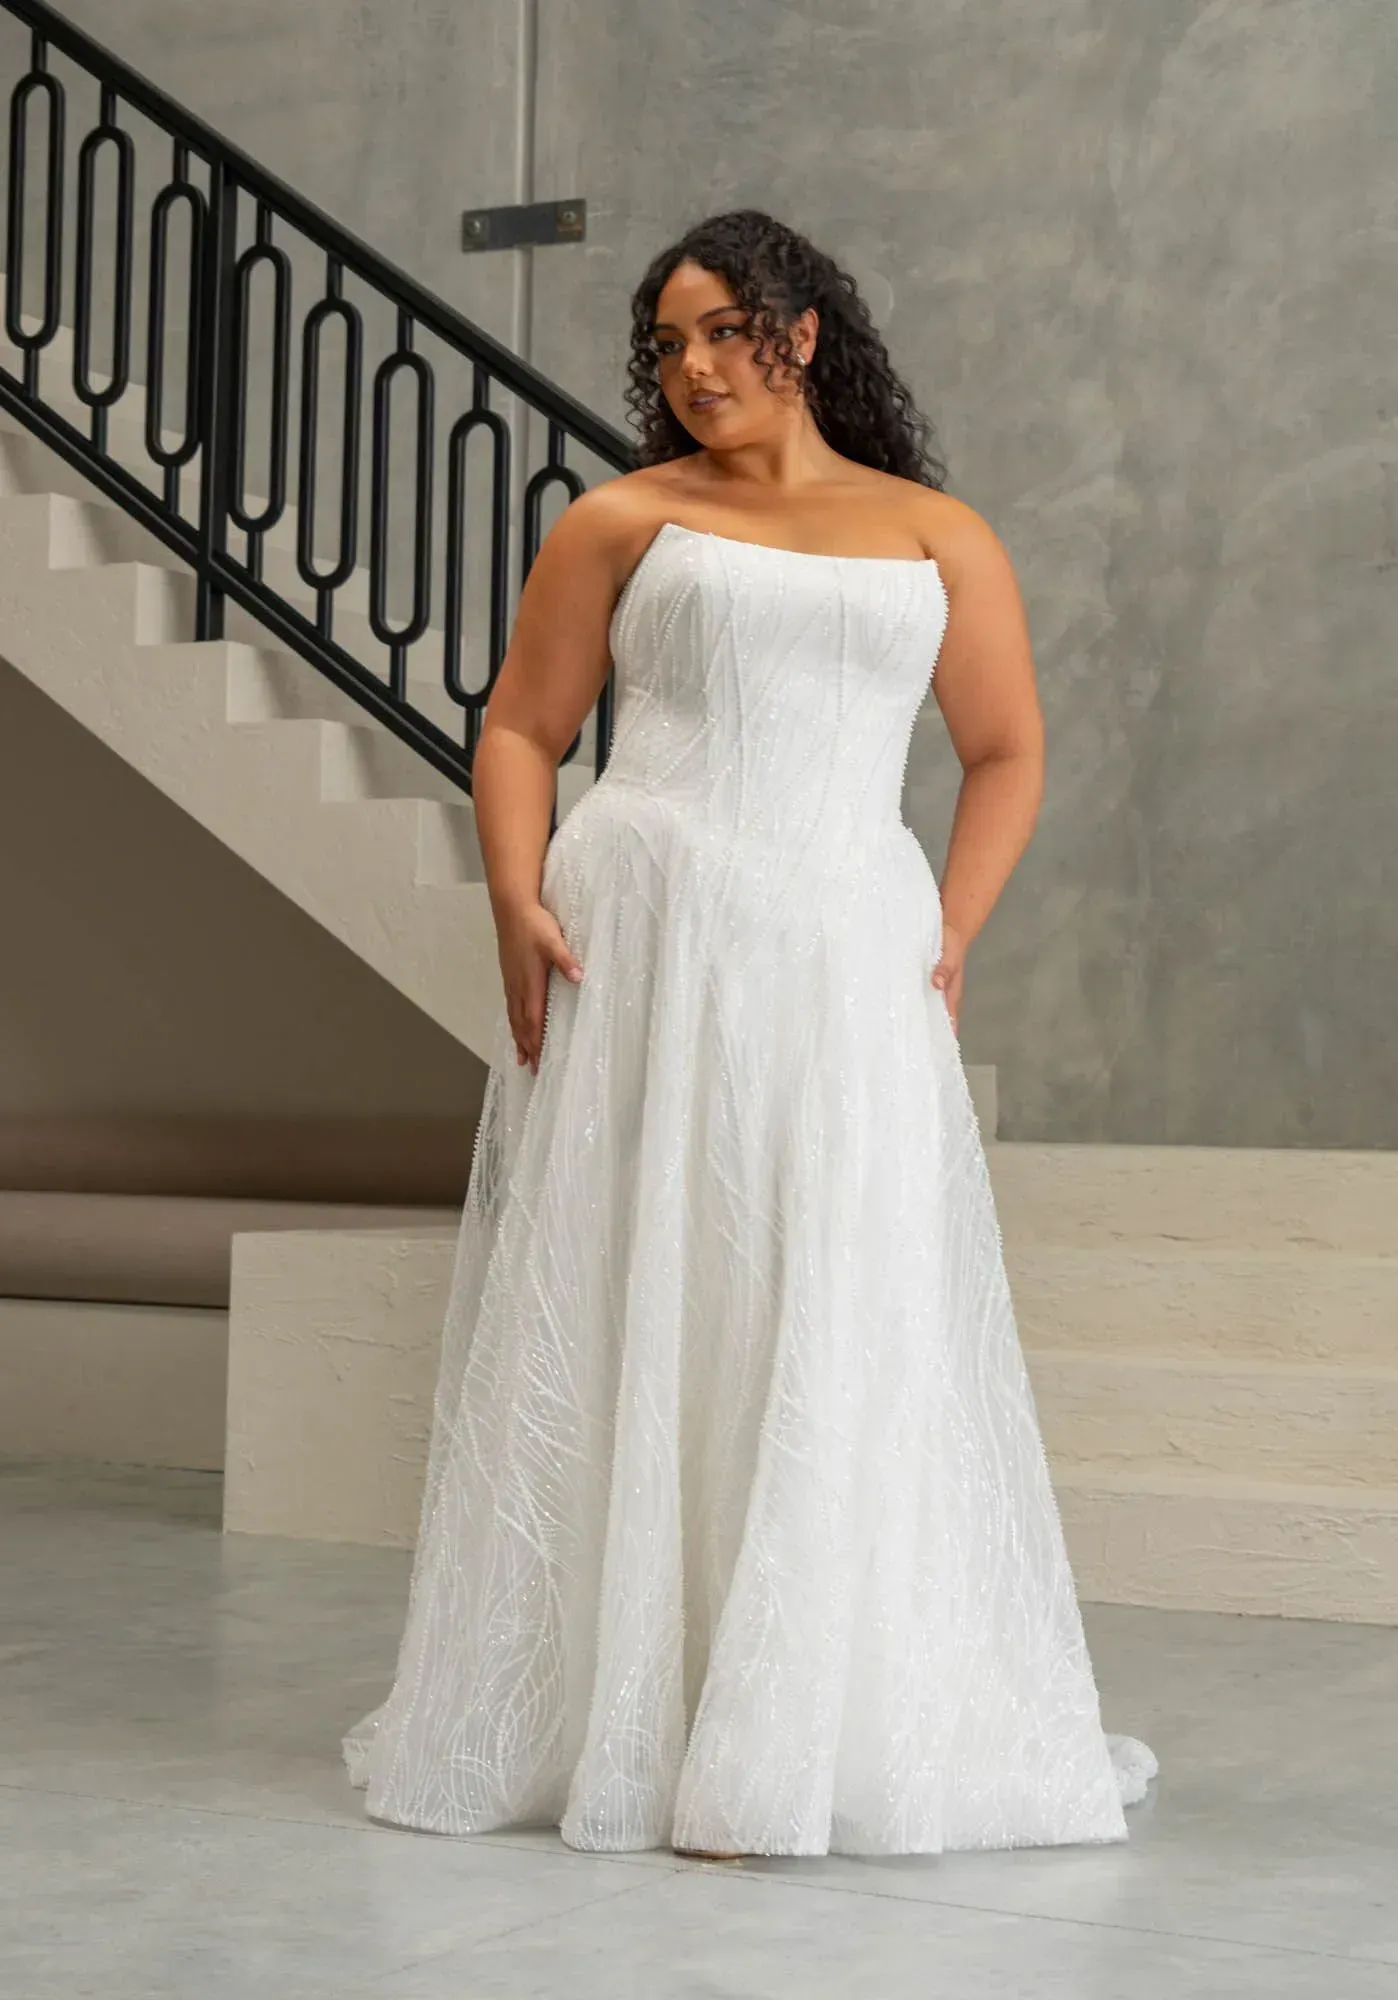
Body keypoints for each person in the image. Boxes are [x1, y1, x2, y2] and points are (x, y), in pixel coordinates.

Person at [343, 207, 1156, 1859]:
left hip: (842, 945)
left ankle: (792, 1720)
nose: (693, 367)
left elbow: (1005, 749)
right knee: (657, 1283)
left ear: (803, 333)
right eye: (667, 344)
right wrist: (514, 896)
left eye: (724, 330)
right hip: (652, 936)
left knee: (827, 1289)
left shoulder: (937, 534)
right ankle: (633, 1710)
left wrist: (948, 931)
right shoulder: (623, 520)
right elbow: (521, 726)